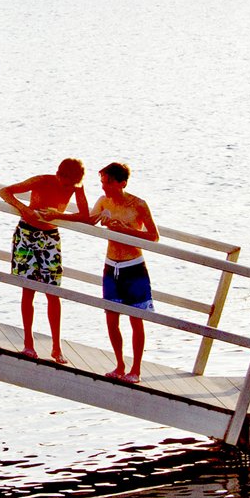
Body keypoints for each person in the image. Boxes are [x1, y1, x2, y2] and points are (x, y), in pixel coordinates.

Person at [0, 158, 88, 363]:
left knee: (53, 292)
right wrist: (24, 208)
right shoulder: (41, 180)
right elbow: (4, 192)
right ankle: (28, 344)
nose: (68, 187)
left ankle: (57, 347)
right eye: (66, 183)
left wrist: (59, 215)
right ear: (59, 175)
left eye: (72, 184)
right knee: (28, 289)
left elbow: (84, 215)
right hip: (26, 235)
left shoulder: (76, 187)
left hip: (50, 239)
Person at [89, 162, 159, 384]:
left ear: (122, 183)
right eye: (102, 182)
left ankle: (135, 369)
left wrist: (125, 230)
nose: (104, 187)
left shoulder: (138, 204)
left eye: (108, 182)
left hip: (134, 266)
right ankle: (119, 364)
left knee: (136, 319)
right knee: (111, 318)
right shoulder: (103, 201)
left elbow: (153, 236)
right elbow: (89, 220)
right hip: (111, 266)